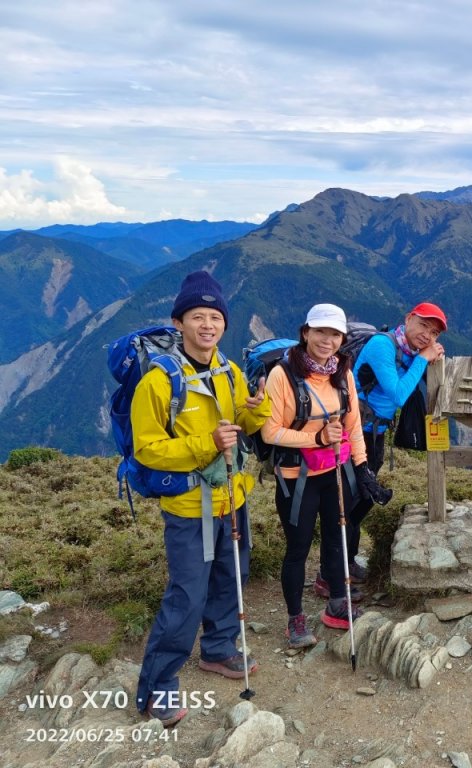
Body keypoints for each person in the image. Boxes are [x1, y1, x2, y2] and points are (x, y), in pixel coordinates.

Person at [134, 271, 270, 728]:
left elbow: (244, 432)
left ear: (224, 325)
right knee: (187, 595)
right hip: (189, 508)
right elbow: (147, 450)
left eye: (215, 317)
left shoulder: (230, 372)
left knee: (232, 576)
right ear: (179, 323)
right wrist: (206, 443)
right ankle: (159, 686)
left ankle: (218, 649)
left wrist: (257, 411)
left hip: (232, 498)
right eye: (198, 316)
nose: (207, 324)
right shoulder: (157, 382)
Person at [260, 304, 389, 646]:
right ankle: (295, 620)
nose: (326, 340)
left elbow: (353, 428)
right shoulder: (282, 376)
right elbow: (270, 432)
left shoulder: (342, 372)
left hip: (336, 472)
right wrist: (314, 438)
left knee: (337, 538)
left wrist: (363, 470)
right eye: (320, 332)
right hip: (295, 477)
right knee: (298, 548)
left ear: (342, 339)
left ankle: (336, 605)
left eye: (334, 334)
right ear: (306, 333)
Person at [312, 302, 447, 596]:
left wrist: (424, 358)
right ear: (409, 318)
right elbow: (398, 394)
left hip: (376, 435)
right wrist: (424, 358)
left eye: (434, 333)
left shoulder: (409, 353)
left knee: (362, 503)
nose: (427, 335)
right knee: (346, 505)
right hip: (352, 437)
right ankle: (328, 576)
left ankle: (348, 562)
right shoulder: (382, 346)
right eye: (423, 325)